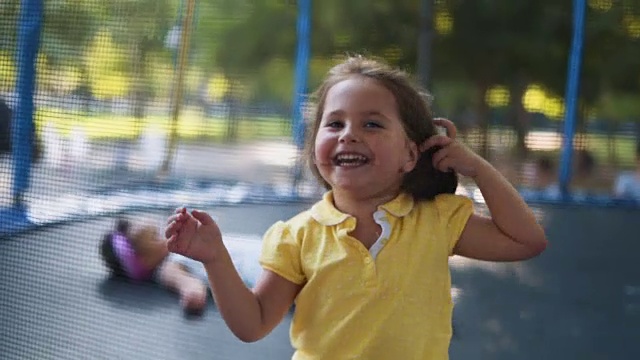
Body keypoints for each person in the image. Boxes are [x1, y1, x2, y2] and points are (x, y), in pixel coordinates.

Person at [165, 56, 548, 359]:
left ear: (411, 154)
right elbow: (255, 323)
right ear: (316, 148)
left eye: (372, 125)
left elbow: (525, 241)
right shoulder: (297, 236)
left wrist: (478, 169)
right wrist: (215, 258)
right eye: (334, 124)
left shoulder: (437, 219)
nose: (349, 134)